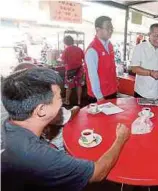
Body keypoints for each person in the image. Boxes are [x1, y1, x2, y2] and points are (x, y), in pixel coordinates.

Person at [1, 68, 130, 190]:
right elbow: (98, 173)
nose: (62, 101)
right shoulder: (40, 157)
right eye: (59, 97)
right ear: (41, 110)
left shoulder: (11, 124)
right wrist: (120, 138)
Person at [130, 23, 158, 100]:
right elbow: (134, 68)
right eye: (156, 35)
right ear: (149, 34)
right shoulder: (140, 48)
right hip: (142, 92)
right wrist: (150, 73)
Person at [84, 16, 117, 103]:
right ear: (98, 29)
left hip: (112, 91)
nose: (111, 30)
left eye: (112, 28)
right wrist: (99, 97)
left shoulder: (110, 45)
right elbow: (93, 76)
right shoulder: (92, 50)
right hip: (100, 96)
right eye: (108, 28)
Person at [61, 35, 85, 106]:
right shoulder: (79, 49)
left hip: (70, 71)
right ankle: (79, 101)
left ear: (65, 42)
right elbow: (84, 58)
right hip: (79, 70)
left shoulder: (66, 50)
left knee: (69, 86)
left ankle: (67, 101)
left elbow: (63, 61)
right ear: (73, 41)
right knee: (79, 85)